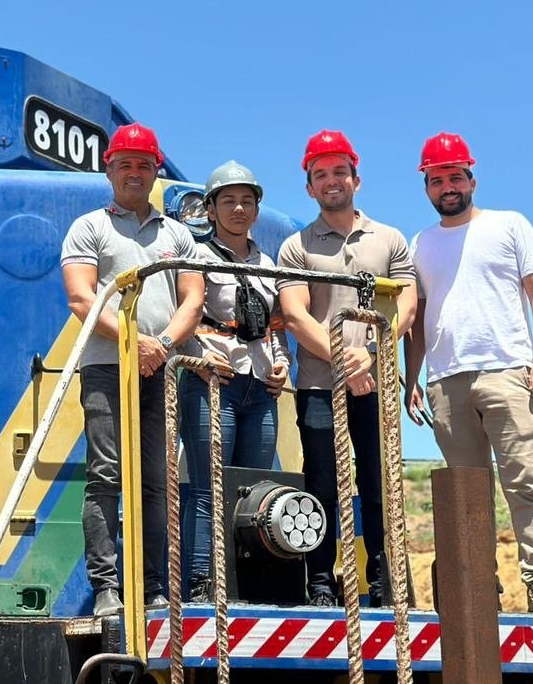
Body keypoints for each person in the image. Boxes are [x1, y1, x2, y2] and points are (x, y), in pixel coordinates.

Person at [403, 132, 533, 615]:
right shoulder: (421, 244)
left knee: (524, 483)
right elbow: (420, 318)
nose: (447, 186)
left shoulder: (509, 225)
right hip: (446, 382)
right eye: (437, 179)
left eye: (455, 175)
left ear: (472, 178)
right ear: (427, 188)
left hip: (507, 371)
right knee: (466, 494)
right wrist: (412, 377)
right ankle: (479, 589)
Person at [61, 122, 204, 617]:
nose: (135, 172)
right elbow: (81, 297)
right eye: (126, 163)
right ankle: (106, 589)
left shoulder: (178, 234)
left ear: (156, 171)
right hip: (105, 368)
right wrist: (134, 342)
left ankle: (155, 586)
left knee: (158, 479)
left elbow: (194, 298)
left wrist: (160, 344)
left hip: (163, 370)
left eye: (144, 164)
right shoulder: (89, 227)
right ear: (109, 169)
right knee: (105, 475)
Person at [276, 130, 417, 607]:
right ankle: (320, 581)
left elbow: (406, 306)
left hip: (375, 383)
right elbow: (295, 314)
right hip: (319, 386)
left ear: (356, 177)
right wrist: (345, 359)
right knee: (321, 483)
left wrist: (370, 356)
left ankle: (381, 582)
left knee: (378, 481)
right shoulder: (296, 247)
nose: (331, 180)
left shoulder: (391, 240)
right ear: (309, 188)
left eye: (339, 171)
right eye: (321, 174)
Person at [179, 161, 291, 602]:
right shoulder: (195, 256)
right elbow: (185, 314)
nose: (238, 208)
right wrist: (200, 357)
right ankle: (203, 582)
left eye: (247, 200)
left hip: (259, 387)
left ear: (257, 209)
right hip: (213, 384)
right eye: (228, 200)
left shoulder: (268, 262)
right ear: (210, 209)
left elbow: (274, 326)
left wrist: (279, 363)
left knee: (254, 492)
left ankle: (248, 585)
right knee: (209, 487)